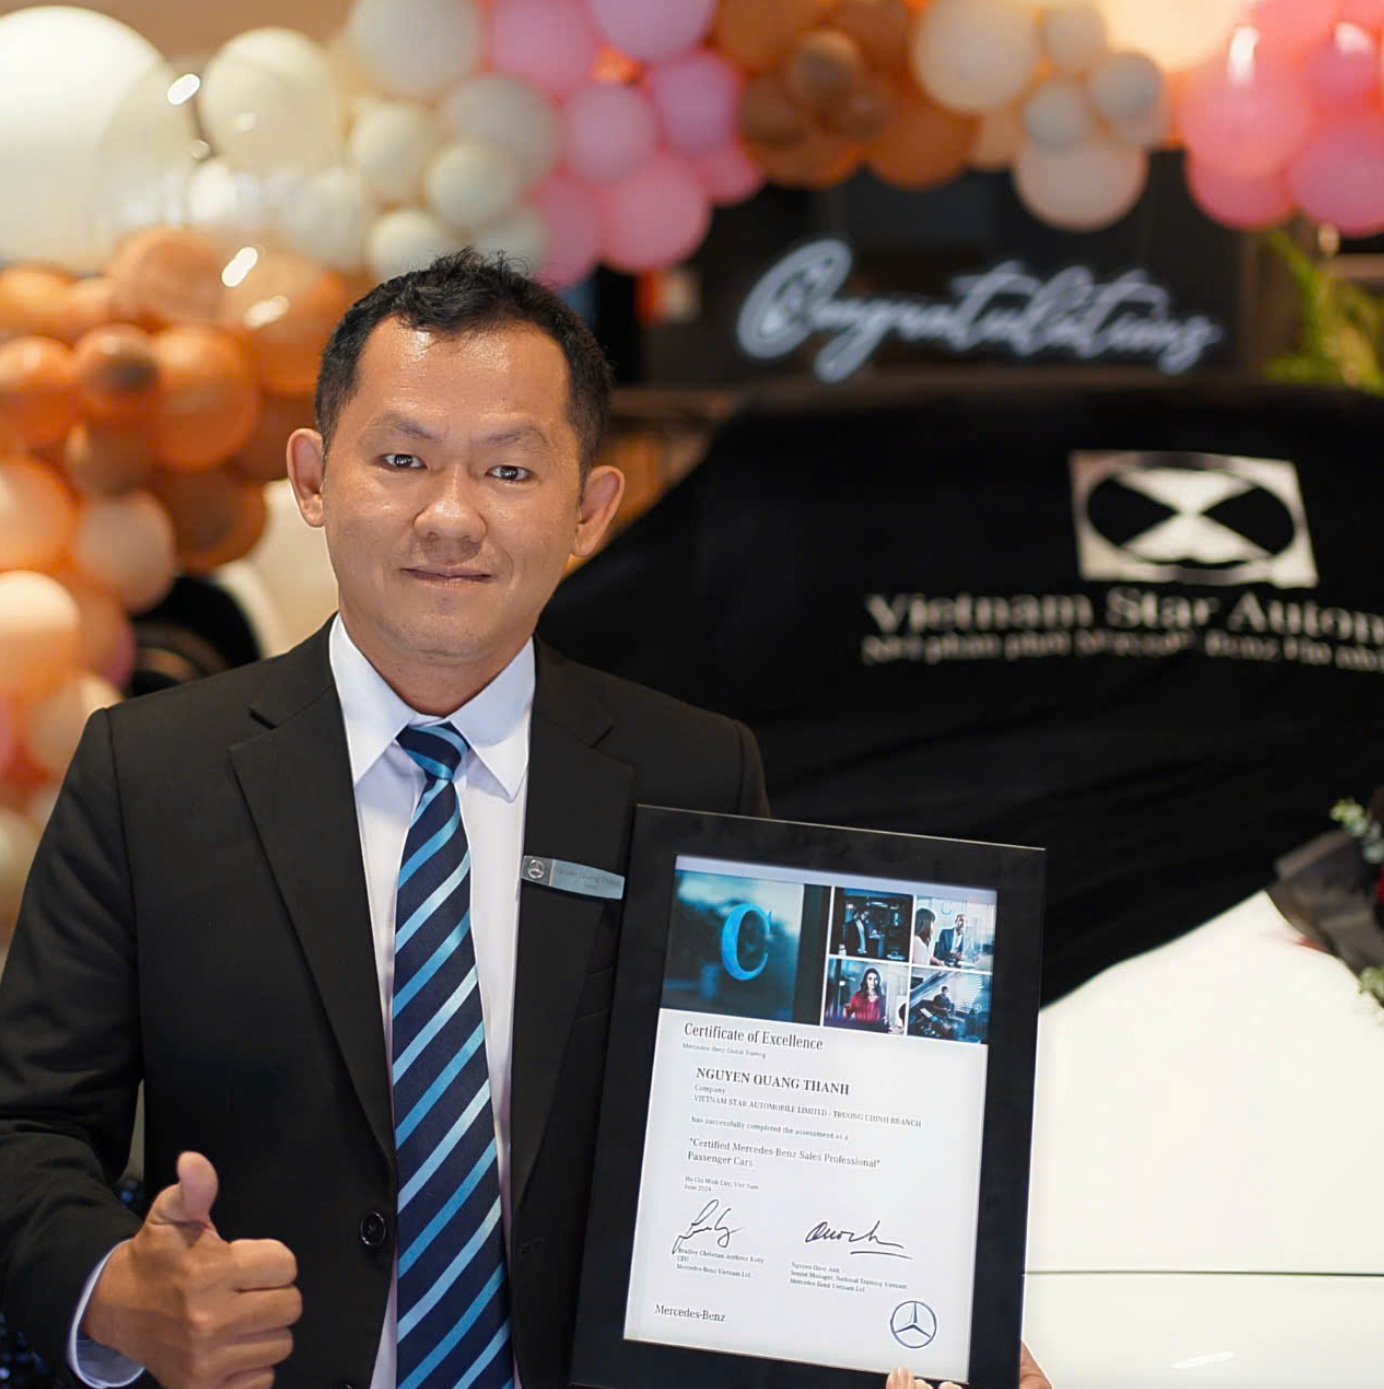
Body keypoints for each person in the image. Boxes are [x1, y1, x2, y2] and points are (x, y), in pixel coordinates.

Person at [0, 252, 1049, 1389]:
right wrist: (114, 1292)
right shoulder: (150, 773)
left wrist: (898, 1330)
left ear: (589, 510)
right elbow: (25, 1128)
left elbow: (783, 1133)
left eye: (509, 469)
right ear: (312, 478)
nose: (450, 516)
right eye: (401, 459)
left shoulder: (693, 771)